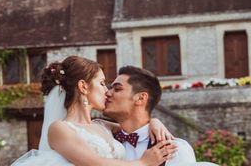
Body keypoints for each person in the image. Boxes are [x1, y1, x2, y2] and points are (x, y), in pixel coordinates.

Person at [12, 55, 178, 165]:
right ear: (83, 86)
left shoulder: (102, 125)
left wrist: (155, 122)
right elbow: (95, 163)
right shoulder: (59, 129)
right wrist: (143, 163)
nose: (107, 91)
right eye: (101, 83)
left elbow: (136, 126)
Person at [104, 65, 217, 166]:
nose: (108, 93)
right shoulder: (102, 140)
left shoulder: (175, 150)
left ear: (140, 98)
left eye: (117, 89)